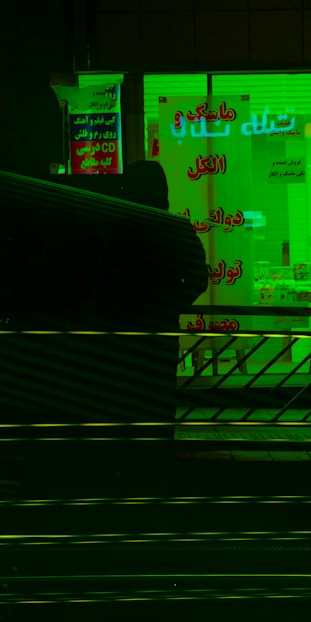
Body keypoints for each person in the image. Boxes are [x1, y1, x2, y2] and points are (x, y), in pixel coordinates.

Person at [96, 161, 209, 439]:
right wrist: (171, 303)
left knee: (128, 395)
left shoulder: (122, 228)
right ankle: (159, 454)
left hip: (126, 328)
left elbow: (104, 276)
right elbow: (198, 279)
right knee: (159, 397)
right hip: (160, 327)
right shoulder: (177, 228)